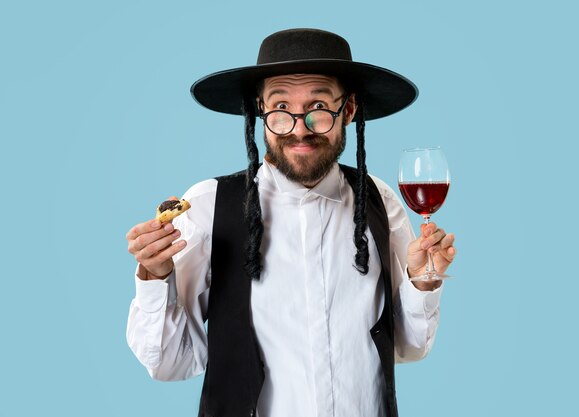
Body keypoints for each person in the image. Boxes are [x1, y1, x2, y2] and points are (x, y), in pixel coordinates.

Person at [126, 28, 456, 417]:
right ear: (261, 110)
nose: (299, 128)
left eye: (318, 107)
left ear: (347, 110)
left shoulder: (379, 201)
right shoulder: (207, 205)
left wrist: (422, 280)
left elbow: (408, 347)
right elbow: (170, 363)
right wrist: (154, 273)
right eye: (281, 108)